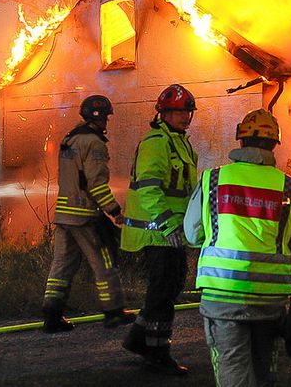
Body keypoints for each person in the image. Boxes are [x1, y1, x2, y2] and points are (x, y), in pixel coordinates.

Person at [184, 108, 291, 387]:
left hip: (223, 294)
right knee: (263, 369)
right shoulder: (289, 186)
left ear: (240, 141)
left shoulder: (213, 179)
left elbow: (192, 234)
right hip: (270, 298)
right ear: (274, 144)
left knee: (233, 370)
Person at [121, 84, 199, 375]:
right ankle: (157, 353)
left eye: (188, 111)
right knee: (163, 293)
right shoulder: (157, 142)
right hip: (157, 232)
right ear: (163, 113)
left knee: (167, 289)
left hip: (171, 231)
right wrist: (168, 224)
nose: (185, 117)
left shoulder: (180, 141)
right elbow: (148, 188)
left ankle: (138, 340)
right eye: (179, 112)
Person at [41, 94, 134, 333]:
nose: (107, 123)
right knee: (104, 262)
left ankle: (52, 316)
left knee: (61, 265)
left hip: (63, 215)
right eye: (106, 118)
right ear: (101, 117)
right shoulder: (94, 144)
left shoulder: (69, 139)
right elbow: (96, 184)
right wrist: (113, 211)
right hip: (84, 216)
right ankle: (114, 312)